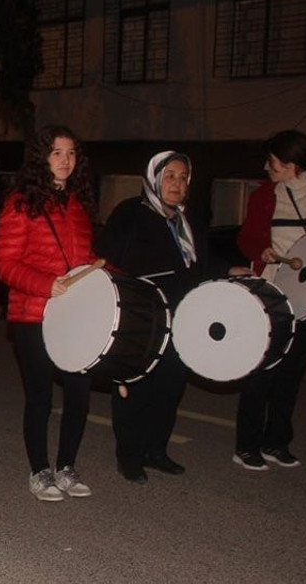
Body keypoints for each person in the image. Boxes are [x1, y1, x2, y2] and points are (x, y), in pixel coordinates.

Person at [96, 151, 250, 484]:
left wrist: (227, 269)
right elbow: (111, 256)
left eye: (183, 178)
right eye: (170, 176)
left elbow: (199, 263)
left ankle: (156, 450)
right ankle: (130, 456)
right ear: (154, 179)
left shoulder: (186, 219)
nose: (177, 184)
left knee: (170, 387)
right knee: (136, 387)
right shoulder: (131, 213)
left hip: (183, 316)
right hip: (144, 317)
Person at [233, 130, 306, 471]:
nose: (266, 167)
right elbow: (246, 237)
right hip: (273, 290)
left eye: (272, 162)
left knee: (291, 373)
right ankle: (247, 445)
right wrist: (262, 250)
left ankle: (277, 442)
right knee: (262, 369)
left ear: (291, 165)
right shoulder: (264, 196)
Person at [0, 125, 97, 502]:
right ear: (42, 157)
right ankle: (40, 471)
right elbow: (4, 263)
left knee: (79, 394)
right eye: (56, 153)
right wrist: (44, 284)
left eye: (70, 153)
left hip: (75, 317)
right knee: (40, 398)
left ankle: (66, 466)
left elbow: (83, 262)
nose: (65, 160)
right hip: (33, 313)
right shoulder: (21, 202)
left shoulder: (79, 204)